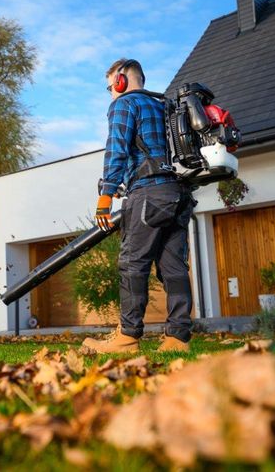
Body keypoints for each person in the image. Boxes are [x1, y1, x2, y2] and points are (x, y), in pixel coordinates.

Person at [82, 58, 195, 354]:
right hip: (177, 193)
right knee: (173, 267)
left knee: (133, 264)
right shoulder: (166, 105)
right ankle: (178, 339)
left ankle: (128, 337)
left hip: (147, 195)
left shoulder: (124, 104)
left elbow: (117, 149)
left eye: (110, 87)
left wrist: (105, 195)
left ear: (121, 81)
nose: (111, 93)